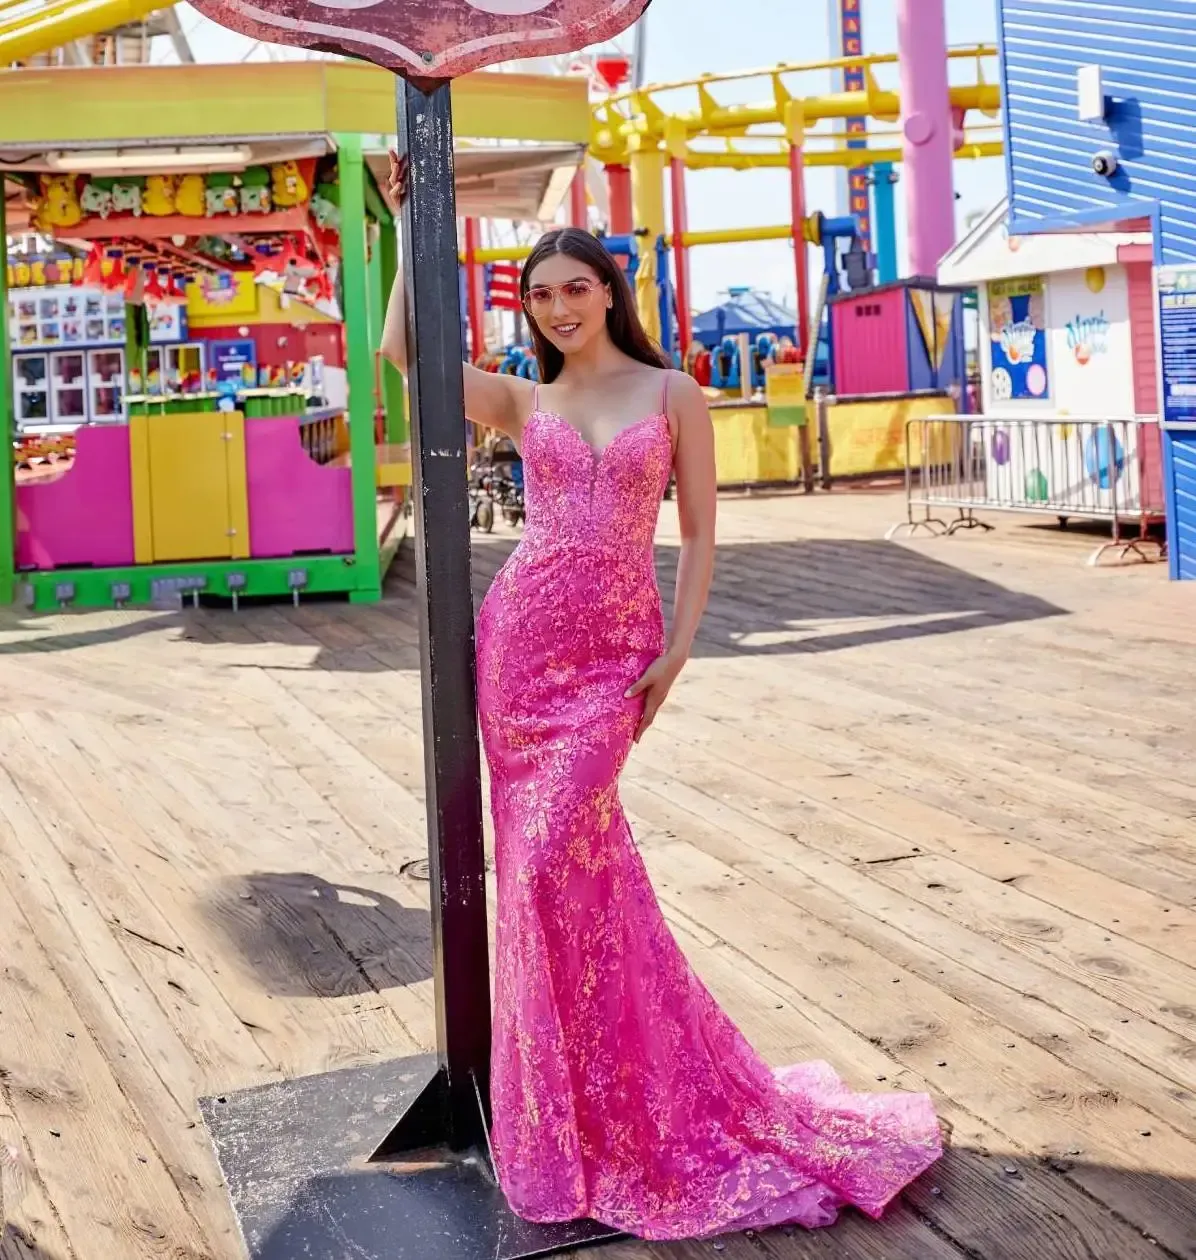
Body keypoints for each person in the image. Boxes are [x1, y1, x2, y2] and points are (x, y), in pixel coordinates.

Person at [380, 152, 941, 1242]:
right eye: (538, 294)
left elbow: (697, 535)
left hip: (609, 661)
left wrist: (676, 652)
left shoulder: (672, 391)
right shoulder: (522, 397)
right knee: (549, 880)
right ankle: (571, 1114)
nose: (556, 307)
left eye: (573, 288)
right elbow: (405, 351)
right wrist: (412, 226)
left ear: (607, 292)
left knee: (551, 859)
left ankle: (625, 1098)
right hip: (518, 651)